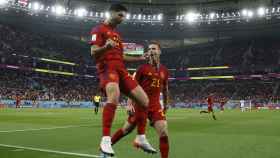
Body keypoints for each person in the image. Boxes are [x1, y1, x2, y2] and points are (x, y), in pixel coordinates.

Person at [90, 3, 150, 156]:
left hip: (121, 70)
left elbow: (121, 56)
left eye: (124, 16)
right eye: (120, 15)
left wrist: (140, 58)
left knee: (144, 101)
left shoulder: (117, 35)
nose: (122, 19)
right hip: (107, 68)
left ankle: (141, 137)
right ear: (111, 13)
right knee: (114, 96)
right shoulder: (98, 29)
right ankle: (105, 139)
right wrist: (106, 48)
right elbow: (93, 51)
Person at [111, 41, 170, 158]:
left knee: (163, 132)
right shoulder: (142, 69)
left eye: (154, 49)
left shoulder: (164, 70)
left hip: (155, 106)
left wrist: (166, 105)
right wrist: (129, 103)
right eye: (150, 49)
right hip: (140, 105)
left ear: (160, 51)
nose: (151, 51)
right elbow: (131, 86)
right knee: (126, 129)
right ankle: (106, 147)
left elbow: (165, 89)